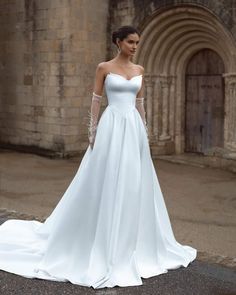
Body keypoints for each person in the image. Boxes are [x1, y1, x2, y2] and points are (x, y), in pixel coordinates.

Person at [0, 25, 197, 289]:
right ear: (118, 42)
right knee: (104, 178)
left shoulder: (140, 71)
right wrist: (92, 132)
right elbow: (95, 99)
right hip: (112, 127)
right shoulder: (104, 67)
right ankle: (100, 236)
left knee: (133, 182)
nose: (135, 47)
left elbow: (140, 104)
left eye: (137, 43)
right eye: (130, 42)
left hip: (133, 130)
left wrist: (145, 132)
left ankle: (132, 238)